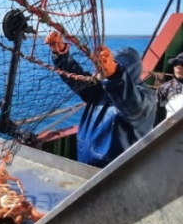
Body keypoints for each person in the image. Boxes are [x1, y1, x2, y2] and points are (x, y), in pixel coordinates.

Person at [45, 32, 156, 168]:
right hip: (85, 164)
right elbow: (76, 78)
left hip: (116, 173)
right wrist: (61, 54)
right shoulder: (99, 90)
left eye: (113, 66)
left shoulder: (146, 97)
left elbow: (132, 104)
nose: (101, 69)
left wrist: (115, 76)